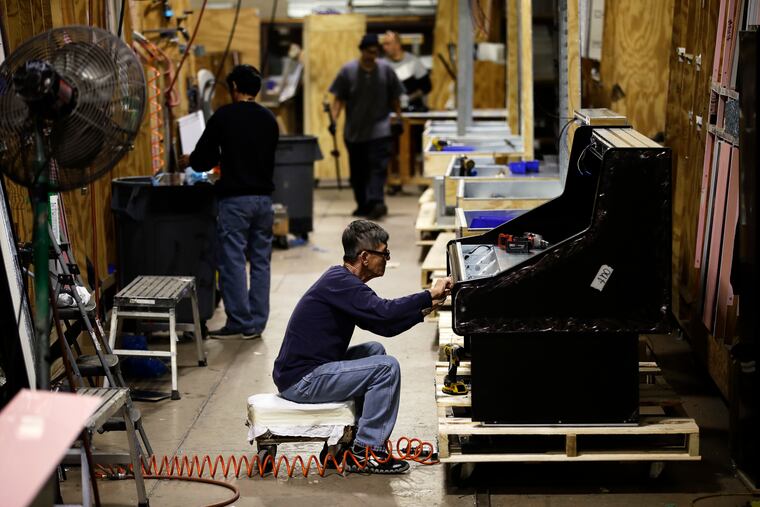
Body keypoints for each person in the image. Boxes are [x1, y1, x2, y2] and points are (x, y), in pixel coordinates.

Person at [272, 220, 452, 474]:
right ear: (365, 257)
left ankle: (351, 440)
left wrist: (426, 308)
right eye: (384, 253)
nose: (387, 259)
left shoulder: (343, 283)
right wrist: (427, 294)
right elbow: (385, 311)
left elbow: (385, 327)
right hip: (301, 380)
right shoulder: (341, 282)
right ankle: (367, 452)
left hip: (311, 371)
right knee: (386, 368)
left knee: (374, 350)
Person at [179, 64, 279, 339]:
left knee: (233, 260)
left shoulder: (224, 117)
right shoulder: (269, 119)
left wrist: (190, 160)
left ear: (234, 88)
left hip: (235, 201)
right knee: (261, 261)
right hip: (264, 201)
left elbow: (204, 159)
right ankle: (257, 322)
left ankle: (239, 323)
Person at [329, 33, 404, 220]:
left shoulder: (386, 70)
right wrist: (333, 120)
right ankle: (363, 203)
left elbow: (395, 97)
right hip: (355, 132)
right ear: (362, 51)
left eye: (375, 52)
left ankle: (377, 201)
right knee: (358, 173)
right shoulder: (348, 71)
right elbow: (338, 99)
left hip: (380, 129)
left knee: (377, 167)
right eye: (369, 52)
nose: (372, 56)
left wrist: (398, 118)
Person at [381, 31, 432, 112]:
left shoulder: (413, 61)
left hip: (413, 111)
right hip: (390, 112)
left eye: (387, 44)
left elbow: (426, 86)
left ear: (397, 45)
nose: (384, 47)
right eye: (383, 44)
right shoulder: (382, 65)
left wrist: (409, 98)